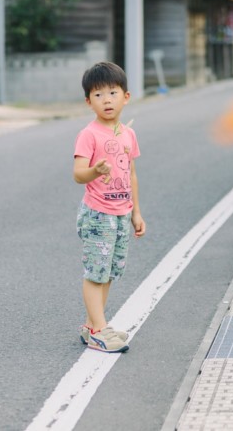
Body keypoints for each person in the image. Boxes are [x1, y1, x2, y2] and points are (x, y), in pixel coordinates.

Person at [73, 62, 146, 353]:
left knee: (111, 271)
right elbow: (78, 174)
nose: (107, 100)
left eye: (112, 93)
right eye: (99, 95)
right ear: (88, 102)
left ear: (125, 97)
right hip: (98, 214)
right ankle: (100, 331)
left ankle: (93, 325)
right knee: (96, 272)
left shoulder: (127, 134)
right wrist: (95, 170)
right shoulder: (88, 134)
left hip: (121, 213)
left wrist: (136, 213)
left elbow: (132, 174)